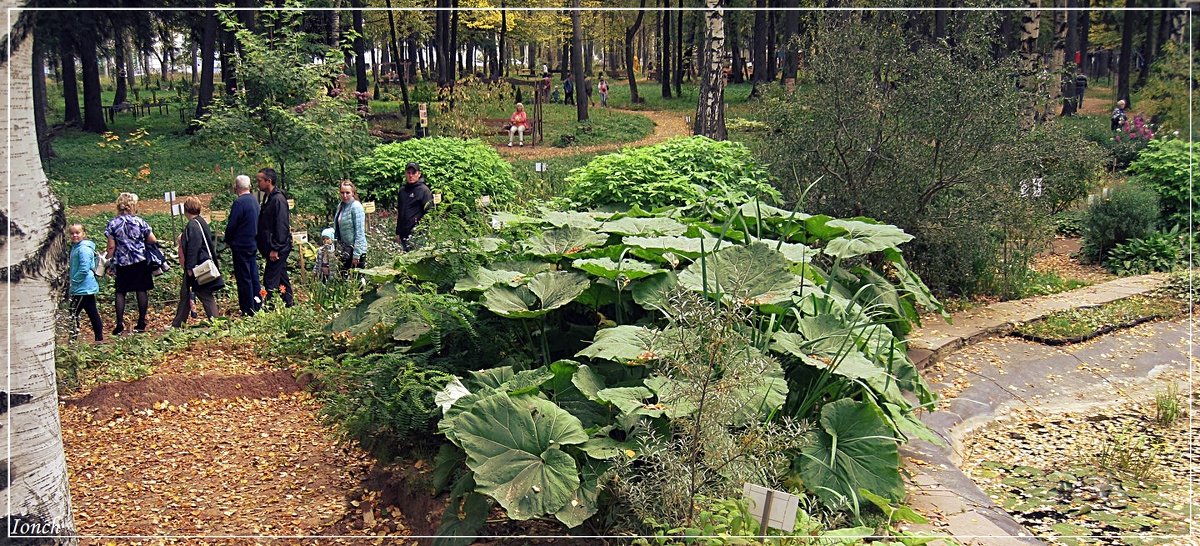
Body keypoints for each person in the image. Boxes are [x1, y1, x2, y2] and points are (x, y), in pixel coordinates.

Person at [105, 192, 158, 334]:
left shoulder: (112, 224)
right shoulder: (139, 221)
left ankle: (119, 323)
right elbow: (152, 239)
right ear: (133, 206)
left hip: (122, 262)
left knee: (120, 291)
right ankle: (141, 322)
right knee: (141, 290)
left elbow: (111, 247)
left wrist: (107, 262)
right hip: (139, 260)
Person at [171, 196, 224, 328]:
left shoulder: (192, 225)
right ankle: (178, 323)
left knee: (203, 293)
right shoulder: (201, 222)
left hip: (197, 266)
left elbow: (194, 246)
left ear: (186, 210)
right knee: (186, 294)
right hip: (202, 264)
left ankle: (216, 322)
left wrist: (190, 267)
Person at [256, 167, 294, 308]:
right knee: (282, 277)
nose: (257, 183)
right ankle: (289, 303)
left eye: (259, 180)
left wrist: (275, 248)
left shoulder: (278, 199)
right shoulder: (268, 198)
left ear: (269, 181)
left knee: (270, 280)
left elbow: (281, 226)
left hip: (278, 248)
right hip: (271, 247)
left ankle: (270, 308)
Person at [224, 174, 261, 316]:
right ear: (249, 186)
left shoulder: (239, 203)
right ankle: (257, 304)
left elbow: (232, 225)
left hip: (240, 245)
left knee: (244, 277)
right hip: (253, 243)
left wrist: (228, 239)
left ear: (236, 187)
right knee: (253, 275)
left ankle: (247, 308)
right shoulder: (254, 201)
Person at [68, 223, 104, 343]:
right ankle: (99, 339)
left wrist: (73, 281)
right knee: (92, 312)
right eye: (72, 233)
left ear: (84, 234)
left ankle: (72, 340)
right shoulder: (76, 247)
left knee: (73, 313)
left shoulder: (83, 249)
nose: (74, 235)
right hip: (84, 287)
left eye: (77, 232)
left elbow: (84, 268)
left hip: (82, 287)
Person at [394, 162, 433, 252]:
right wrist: (398, 232)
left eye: (413, 173)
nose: (411, 175)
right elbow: (400, 213)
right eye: (408, 173)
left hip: (417, 236)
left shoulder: (424, 191)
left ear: (419, 174)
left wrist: (421, 230)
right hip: (403, 234)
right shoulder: (402, 191)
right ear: (405, 174)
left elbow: (430, 213)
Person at [334, 180, 368, 272]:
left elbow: (360, 232)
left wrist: (357, 254)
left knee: (358, 279)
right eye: (342, 193)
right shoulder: (340, 206)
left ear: (353, 193)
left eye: (347, 193)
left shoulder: (356, 207)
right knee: (343, 277)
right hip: (345, 249)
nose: (344, 196)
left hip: (356, 249)